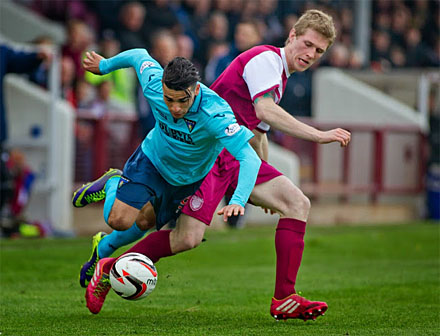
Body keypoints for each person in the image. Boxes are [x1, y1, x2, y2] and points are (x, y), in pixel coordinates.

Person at [79, 9, 351, 320]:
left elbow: (257, 134)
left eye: (319, 51)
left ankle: (284, 297)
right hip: (208, 157)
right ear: (291, 36)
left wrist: (254, 183)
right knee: (183, 237)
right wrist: (318, 135)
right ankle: (109, 267)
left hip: (233, 156)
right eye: (307, 44)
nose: (311, 54)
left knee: (296, 204)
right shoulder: (266, 61)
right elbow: (263, 111)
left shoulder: (280, 76)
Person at [73, 48, 262, 314]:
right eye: (168, 99)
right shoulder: (154, 83)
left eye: (181, 101)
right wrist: (105, 66)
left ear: (195, 90)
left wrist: (239, 199)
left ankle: (102, 250)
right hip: (150, 161)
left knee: (145, 222)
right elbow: (139, 55)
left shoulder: (215, 113)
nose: (174, 108)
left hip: (185, 181)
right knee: (119, 220)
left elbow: (249, 158)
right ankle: (113, 182)